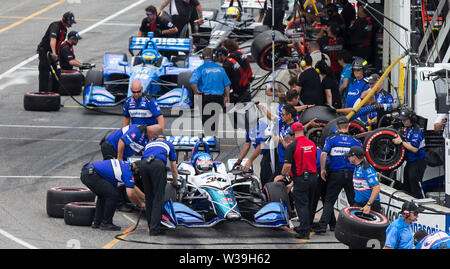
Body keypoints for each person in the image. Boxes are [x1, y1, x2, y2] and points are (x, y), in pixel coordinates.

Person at [315, 116, 362, 234]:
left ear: (337, 127)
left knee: (329, 200)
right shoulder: (355, 141)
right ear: (348, 126)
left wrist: (322, 169)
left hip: (335, 174)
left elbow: (323, 155)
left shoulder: (331, 139)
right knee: (353, 201)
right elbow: (361, 157)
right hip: (351, 174)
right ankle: (357, 226)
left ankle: (322, 226)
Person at [80, 159, 145, 231]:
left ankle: (97, 222)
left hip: (88, 173)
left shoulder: (126, 166)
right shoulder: (127, 172)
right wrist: (141, 204)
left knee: (103, 196)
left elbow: (133, 187)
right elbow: (131, 194)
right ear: (137, 170)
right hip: (92, 175)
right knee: (112, 195)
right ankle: (106, 223)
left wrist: (145, 197)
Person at [282, 122, 318, 239]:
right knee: (309, 205)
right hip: (313, 178)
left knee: (301, 206)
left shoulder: (292, 146)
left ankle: (304, 232)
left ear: (292, 133)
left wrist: (282, 175)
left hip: (301, 179)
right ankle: (305, 227)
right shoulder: (312, 144)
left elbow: (287, 166)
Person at [140, 134, 178, 236]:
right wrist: (175, 182)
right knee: (158, 197)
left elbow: (144, 156)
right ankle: (154, 229)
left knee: (149, 196)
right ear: (164, 139)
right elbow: (174, 167)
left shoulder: (149, 144)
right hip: (157, 164)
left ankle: (150, 225)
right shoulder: (168, 144)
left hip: (143, 164)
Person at [190, 47, 231, 134]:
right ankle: (213, 137)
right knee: (215, 121)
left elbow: (193, 82)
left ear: (202, 56)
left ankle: (210, 140)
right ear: (212, 56)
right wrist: (227, 96)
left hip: (206, 98)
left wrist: (196, 92)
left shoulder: (200, 69)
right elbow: (227, 85)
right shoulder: (220, 69)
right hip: (218, 98)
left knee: (206, 122)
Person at [392, 107, 427, 199]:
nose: (403, 121)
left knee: (414, 186)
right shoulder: (407, 128)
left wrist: (401, 142)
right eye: (402, 119)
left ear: (411, 119)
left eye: (405, 119)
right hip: (410, 162)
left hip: (418, 162)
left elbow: (415, 149)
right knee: (406, 186)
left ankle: (419, 205)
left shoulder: (416, 131)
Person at [37, 11, 76, 92]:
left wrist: (56, 54)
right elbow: (53, 39)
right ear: (66, 20)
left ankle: (54, 95)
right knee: (44, 74)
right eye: (70, 22)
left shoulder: (64, 30)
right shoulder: (55, 26)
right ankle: (43, 95)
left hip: (53, 53)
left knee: (57, 73)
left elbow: (59, 43)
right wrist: (54, 53)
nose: (71, 24)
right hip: (45, 52)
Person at [235, 119, 274, 186]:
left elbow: (260, 146)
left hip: (272, 152)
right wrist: (239, 161)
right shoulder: (249, 127)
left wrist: (250, 160)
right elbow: (247, 144)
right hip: (266, 153)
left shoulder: (258, 127)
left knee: (267, 176)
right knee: (264, 174)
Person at [216, 39, 253, 103]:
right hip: (246, 80)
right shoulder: (239, 52)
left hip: (241, 87)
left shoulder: (232, 56)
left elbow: (227, 81)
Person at [347, 145, 381, 214]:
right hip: (358, 203)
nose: (348, 158)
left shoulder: (367, 169)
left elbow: (376, 188)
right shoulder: (357, 166)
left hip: (370, 205)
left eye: (349, 156)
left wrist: (368, 205)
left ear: (354, 157)